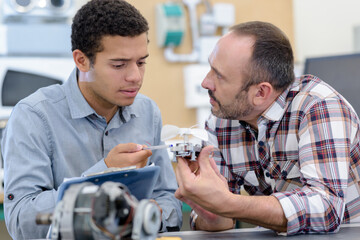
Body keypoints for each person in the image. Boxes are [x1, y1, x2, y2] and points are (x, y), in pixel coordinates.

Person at [1, 0, 182, 239]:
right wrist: (103, 176)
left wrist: (148, 215)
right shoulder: (34, 116)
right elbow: (22, 222)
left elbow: (169, 202)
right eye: (119, 65)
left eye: (141, 62)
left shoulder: (147, 111)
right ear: (81, 60)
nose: (135, 77)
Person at [175, 21, 360, 235]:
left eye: (219, 76)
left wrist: (229, 204)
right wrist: (212, 212)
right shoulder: (221, 121)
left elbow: (326, 209)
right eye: (210, 68)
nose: (206, 83)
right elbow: (220, 221)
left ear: (261, 93)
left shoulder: (319, 106)